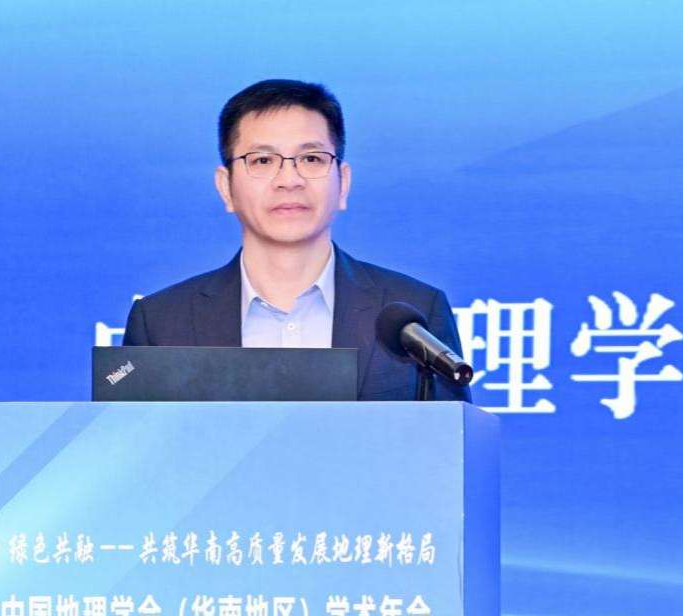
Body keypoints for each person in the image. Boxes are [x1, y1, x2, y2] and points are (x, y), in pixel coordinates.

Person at [123, 79, 470, 402]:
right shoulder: (161, 323)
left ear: (343, 183)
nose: (289, 180)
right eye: (262, 160)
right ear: (225, 187)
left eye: (311, 159)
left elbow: (453, 441)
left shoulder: (415, 314)